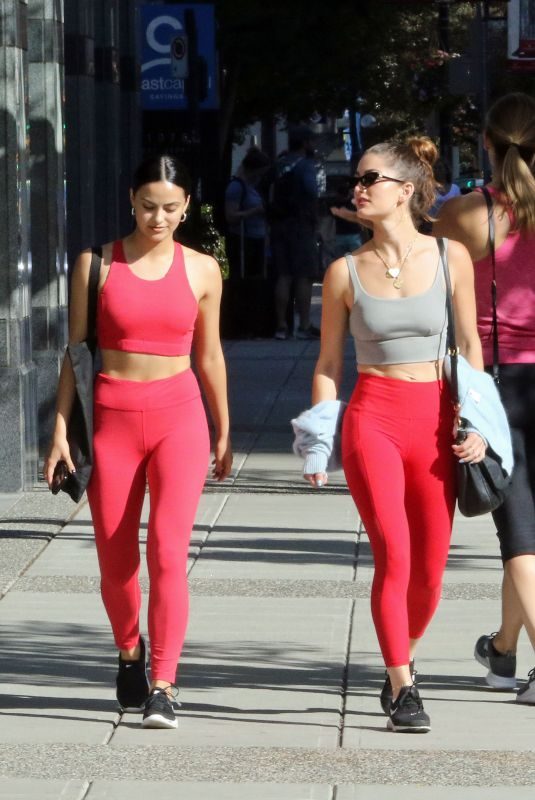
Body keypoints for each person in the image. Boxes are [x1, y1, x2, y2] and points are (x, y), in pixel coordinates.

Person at [44, 154, 233, 729]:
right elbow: (75, 354)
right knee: (115, 558)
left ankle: (165, 682)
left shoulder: (202, 269)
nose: (158, 218)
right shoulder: (94, 264)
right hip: (112, 419)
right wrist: (58, 431)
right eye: (148, 205)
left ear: (186, 208)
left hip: (180, 416)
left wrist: (224, 428)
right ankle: (129, 650)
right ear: (131, 200)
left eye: (171, 208)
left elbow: (210, 354)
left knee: (169, 554)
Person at [306, 136, 486, 732]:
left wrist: (479, 423)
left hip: (436, 418)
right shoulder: (343, 272)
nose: (357, 188)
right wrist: (317, 442)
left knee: (432, 572)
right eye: (356, 179)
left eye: (369, 178)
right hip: (373, 418)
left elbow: (469, 346)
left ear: (406, 190)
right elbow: (330, 365)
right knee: (395, 553)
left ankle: (397, 659)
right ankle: (406, 687)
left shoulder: (450, 256)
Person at [434, 92, 535, 703]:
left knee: (519, 532)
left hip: (498, 383)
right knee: (526, 528)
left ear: (488, 147)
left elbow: (420, 263)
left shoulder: (472, 215)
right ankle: (502, 650)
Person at [270, 125, 320, 340]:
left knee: (283, 275)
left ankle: (281, 325)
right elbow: (312, 191)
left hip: (278, 224)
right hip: (300, 224)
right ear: (305, 143)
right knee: (303, 276)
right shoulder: (306, 165)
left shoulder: (279, 164)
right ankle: (304, 325)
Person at [224, 146, 271, 281]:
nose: (261, 177)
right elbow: (231, 216)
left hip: (257, 238)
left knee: (257, 277)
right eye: (261, 173)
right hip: (243, 240)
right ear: (253, 170)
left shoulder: (253, 188)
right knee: (244, 277)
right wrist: (254, 211)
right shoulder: (237, 186)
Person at [329, 179, 365, 259]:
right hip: (351, 235)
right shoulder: (352, 202)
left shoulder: (335, 204)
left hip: (342, 235)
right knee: (357, 259)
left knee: (341, 260)